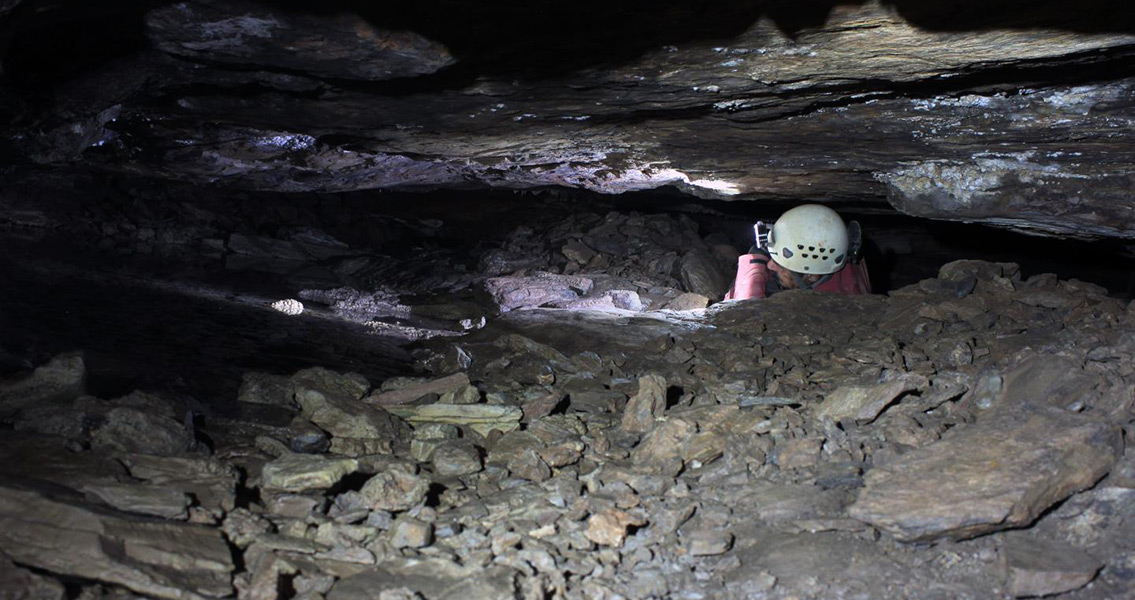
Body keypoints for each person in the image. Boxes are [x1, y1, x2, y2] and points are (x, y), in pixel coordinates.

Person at [724, 204, 871, 300]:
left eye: (781, 266)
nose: (770, 266)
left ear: (812, 276)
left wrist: (752, 282)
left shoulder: (830, 305)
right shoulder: (837, 262)